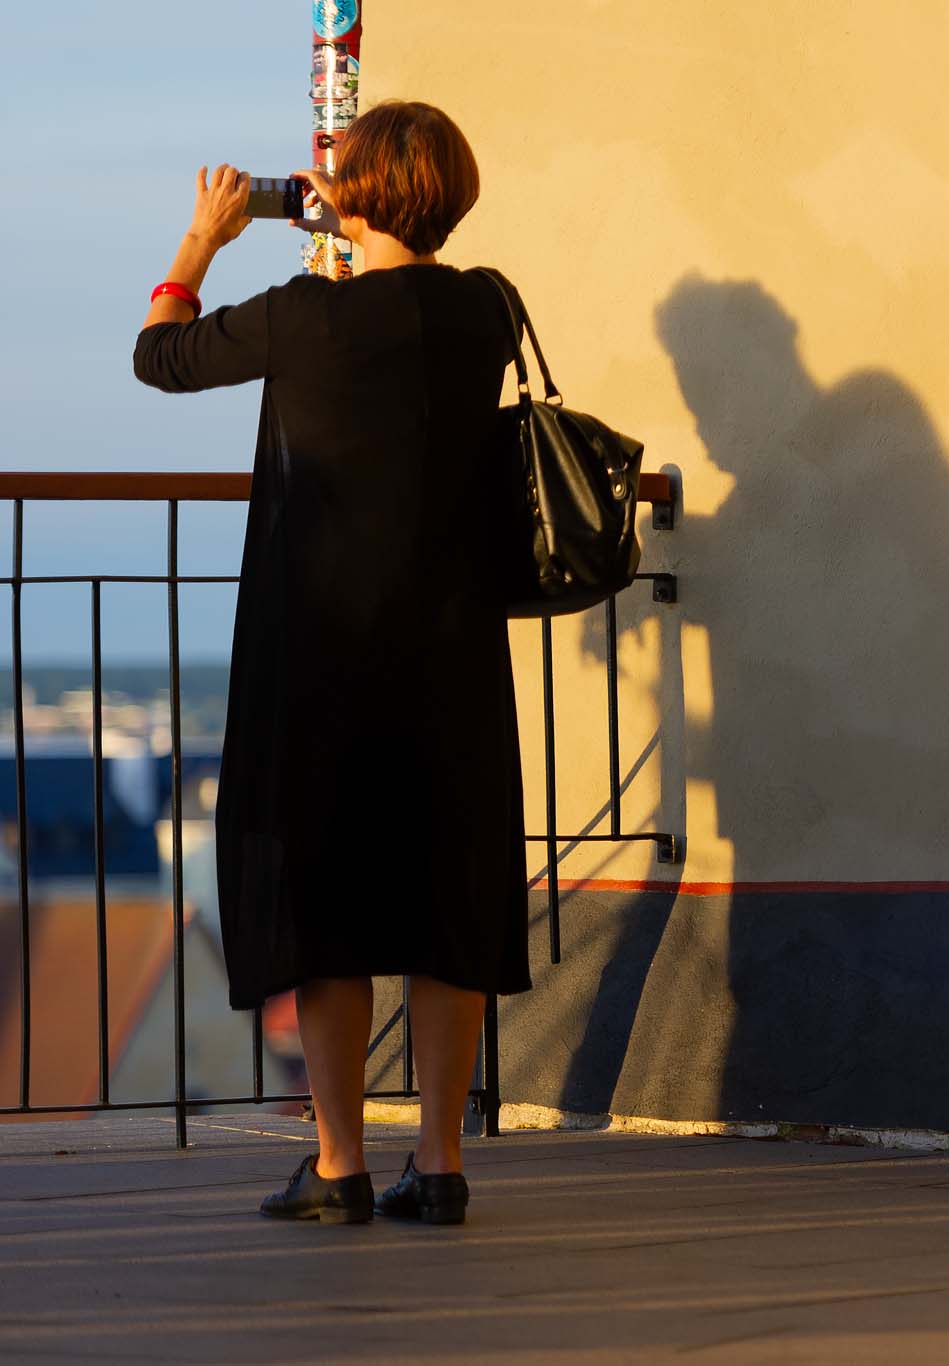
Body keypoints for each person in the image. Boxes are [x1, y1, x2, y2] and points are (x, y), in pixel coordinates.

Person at [132, 101, 525, 1226]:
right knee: (447, 902)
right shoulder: (487, 310)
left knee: (328, 905)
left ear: (352, 193)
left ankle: (340, 1164)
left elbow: (159, 357)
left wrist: (204, 238)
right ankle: (439, 1164)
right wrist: (352, 225)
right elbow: (407, 310)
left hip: (325, 655)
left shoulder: (303, 318)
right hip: (453, 653)